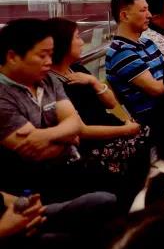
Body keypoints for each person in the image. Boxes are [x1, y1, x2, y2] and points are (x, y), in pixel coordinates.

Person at [48, 18, 149, 204]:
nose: (82, 42)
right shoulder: (51, 83)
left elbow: (111, 104)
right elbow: (81, 130)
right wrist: (125, 130)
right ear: (62, 44)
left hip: (113, 129)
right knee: (145, 148)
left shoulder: (76, 69)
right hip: (93, 144)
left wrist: (94, 82)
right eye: (77, 37)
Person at [0, 19, 102, 202]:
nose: (49, 62)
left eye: (51, 54)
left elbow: (75, 123)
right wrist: (67, 137)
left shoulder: (48, 80)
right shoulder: (3, 95)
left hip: (72, 169)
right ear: (12, 57)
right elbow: (34, 151)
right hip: (31, 191)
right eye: (42, 55)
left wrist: (45, 135)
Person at [105, 0, 164, 124]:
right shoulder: (121, 52)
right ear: (124, 16)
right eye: (143, 10)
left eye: (148, 9)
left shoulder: (147, 42)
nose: (149, 15)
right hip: (156, 121)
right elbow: (156, 89)